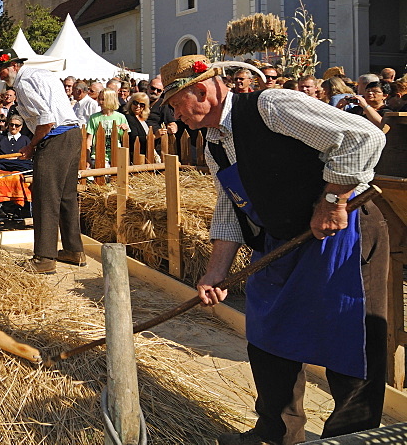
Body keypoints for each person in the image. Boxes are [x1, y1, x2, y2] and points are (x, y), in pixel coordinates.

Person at [159, 54, 388, 445]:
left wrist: (333, 198)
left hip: (341, 232)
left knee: (349, 337)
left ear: (201, 90)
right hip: (283, 240)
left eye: (178, 105)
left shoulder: (271, 107)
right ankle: (276, 433)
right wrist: (216, 271)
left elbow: (365, 137)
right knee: (266, 332)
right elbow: (231, 206)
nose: (177, 116)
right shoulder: (215, 144)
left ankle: (350, 438)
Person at [0, 49, 85, 273]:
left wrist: (31, 146)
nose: (1, 76)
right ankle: (74, 250)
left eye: (2, 71)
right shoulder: (42, 74)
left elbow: (46, 120)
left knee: (45, 197)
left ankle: (44, 258)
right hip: (72, 135)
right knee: (67, 197)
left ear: (14, 66)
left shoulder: (23, 84)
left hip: (55, 138)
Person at [86, 89, 128, 166]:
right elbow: (89, 139)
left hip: (116, 154)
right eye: (99, 99)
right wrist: (87, 157)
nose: (100, 102)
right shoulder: (94, 118)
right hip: (98, 155)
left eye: (103, 99)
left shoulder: (120, 117)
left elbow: (124, 138)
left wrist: (125, 130)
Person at [124, 92, 151, 158]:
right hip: (135, 155)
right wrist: (154, 137)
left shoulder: (144, 119)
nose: (138, 106)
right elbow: (134, 137)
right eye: (135, 103)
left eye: (142, 105)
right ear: (131, 103)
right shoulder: (129, 117)